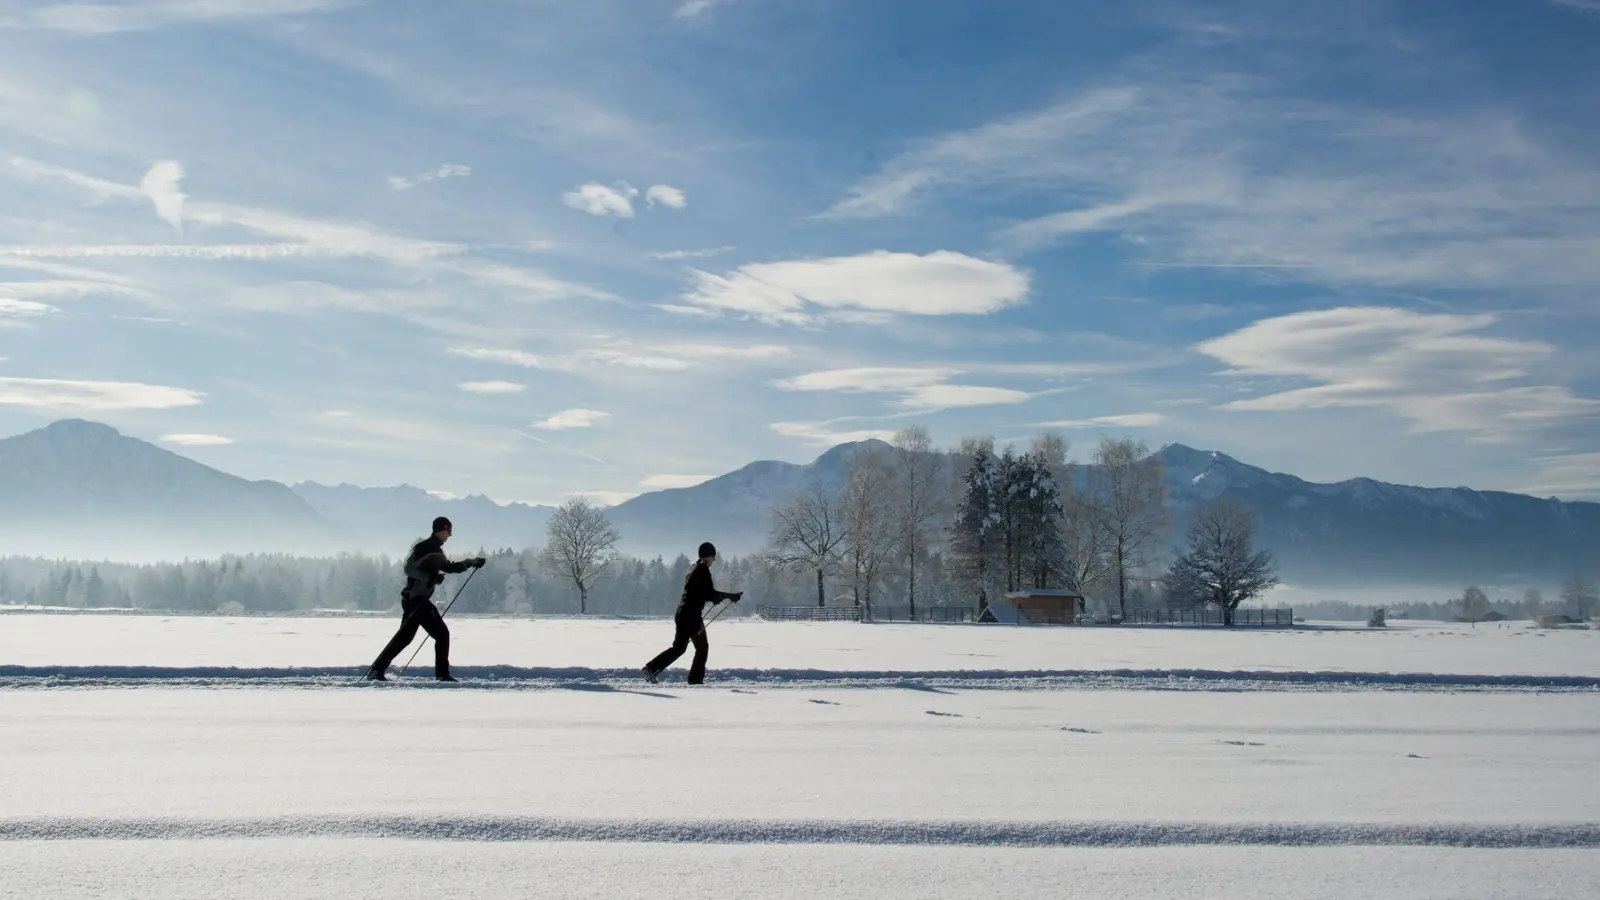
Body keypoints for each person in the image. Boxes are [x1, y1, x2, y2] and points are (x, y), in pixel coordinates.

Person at [364, 516, 485, 682]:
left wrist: (471, 562)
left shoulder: (436, 551)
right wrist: (429, 578)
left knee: (404, 638)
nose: (449, 535)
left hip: (414, 599)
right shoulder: (424, 547)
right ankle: (442, 675)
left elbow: (448, 567)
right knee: (442, 634)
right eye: (448, 531)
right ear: (440, 530)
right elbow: (408, 568)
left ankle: (376, 670)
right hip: (416, 599)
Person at [642, 541, 741, 685]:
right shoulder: (702, 570)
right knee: (702, 648)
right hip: (692, 616)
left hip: (682, 613)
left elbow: (701, 592)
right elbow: (709, 594)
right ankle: (695, 681)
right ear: (708, 556)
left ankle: (651, 668)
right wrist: (730, 596)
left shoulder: (693, 568)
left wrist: (718, 597)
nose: (713, 561)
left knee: (679, 648)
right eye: (713, 558)